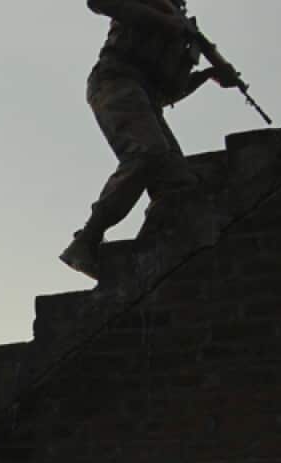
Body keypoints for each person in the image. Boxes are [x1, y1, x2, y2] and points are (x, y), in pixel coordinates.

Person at [60, 0, 238, 279]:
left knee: (179, 184)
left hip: (146, 99)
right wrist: (163, 20)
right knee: (148, 153)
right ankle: (86, 240)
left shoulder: (185, 34)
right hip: (114, 82)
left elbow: (169, 92)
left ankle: (149, 254)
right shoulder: (152, 5)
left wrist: (208, 75)